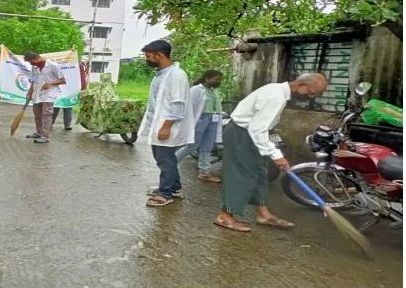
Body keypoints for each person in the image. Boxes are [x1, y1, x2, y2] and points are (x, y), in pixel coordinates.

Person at [214, 73, 328, 231]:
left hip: (251, 134)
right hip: (242, 134)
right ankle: (225, 216)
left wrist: (273, 152)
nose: (311, 98)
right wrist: (277, 156)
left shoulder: (277, 91)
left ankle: (263, 214)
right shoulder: (276, 97)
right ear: (302, 86)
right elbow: (257, 129)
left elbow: (261, 127)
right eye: (312, 93)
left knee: (261, 173)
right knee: (242, 175)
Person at [138, 40, 194, 207]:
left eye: (148, 57)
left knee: (165, 160)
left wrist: (166, 127)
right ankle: (175, 188)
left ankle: (165, 193)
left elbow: (178, 104)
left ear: (159, 55)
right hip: (159, 123)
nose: (146, 60)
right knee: (163, 158)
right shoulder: (162, 73)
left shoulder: (176, 75)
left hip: (167, 125)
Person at [174, 70, 225, 183]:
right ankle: (171, 164)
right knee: (192, 146)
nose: (218, 82)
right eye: (216, 79)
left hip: (213, 120)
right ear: (207, 78)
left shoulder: (213, 91)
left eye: (220, 80)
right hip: (200, 120)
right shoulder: (196, 90)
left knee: (207, 147)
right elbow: (188, 107)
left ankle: (205, 172)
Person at [24, 51, 66, 143]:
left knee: (46, 115)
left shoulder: (52, 66)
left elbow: (63, 80)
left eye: (31, 61)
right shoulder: (34, 67)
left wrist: (50, 83)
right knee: (37, 114)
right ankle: (39, 132)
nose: (30, 64)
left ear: (37, 58)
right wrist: (29, 92)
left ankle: (45, 136)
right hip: (37, 94)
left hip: (49, 95)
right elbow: (33, 81)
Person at [51, 61, 87, 130]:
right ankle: (62, 124)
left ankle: (65, 124)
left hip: (68, 89)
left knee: (65, 106)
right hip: (61, 88)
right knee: (58, 106)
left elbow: (81, 78)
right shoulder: (60, 65)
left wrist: (81, 88)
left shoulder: (77, 66)